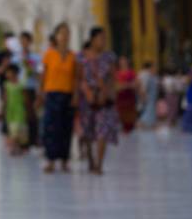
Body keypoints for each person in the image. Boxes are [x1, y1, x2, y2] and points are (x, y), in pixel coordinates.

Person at [78, 27, 120, 174]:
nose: (103, 41)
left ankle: (99, 163)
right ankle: (90, 158)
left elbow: (113, 77)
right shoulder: (82, 57)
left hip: (104, 97)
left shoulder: (110, 57)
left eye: (104, 38)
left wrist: (107, 92)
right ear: (92, 39)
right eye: (100, 38)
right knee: (88, 130)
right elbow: (79, 77)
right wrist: (87, 92)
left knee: (102, 129)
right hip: (87, 97)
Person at [39, 23, 79, 173]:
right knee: (51, 128)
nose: (65, 36)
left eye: (67, 33)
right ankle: (50, 160)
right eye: (62, 33)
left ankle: (64, 160)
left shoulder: (73, 56)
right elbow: (44, 75)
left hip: (67, 94)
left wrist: (75, 95)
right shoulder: (49, 54)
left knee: (66, 128)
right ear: (56, 36)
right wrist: (40, 94)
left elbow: (76, 78)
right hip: (52, 94)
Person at [15, 31, 41, 147]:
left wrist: (32, 68)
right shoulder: (16, 58)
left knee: (32, 114)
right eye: (21, 40)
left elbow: (40, 73)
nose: (23, 43)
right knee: (21, 115)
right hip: (20, 88)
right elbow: (13, 73)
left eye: (26, 40)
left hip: (31, 87)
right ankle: (22, 140)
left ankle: (33, 139)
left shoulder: (36, 57)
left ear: (30, 42)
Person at [4, 63, 28, 155]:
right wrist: (4, 109)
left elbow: (25, 98)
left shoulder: (21, 84)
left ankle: (18, 147)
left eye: (8, 72)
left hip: (20, 109)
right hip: (11, 110)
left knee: (19, 129)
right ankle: (14, 148)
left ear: (14, 73)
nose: (7, 75)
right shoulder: (7, 85)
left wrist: (27, 108)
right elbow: (5, 98)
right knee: (12, 129)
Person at [115, 55, 139, 133]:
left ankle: (129, 129)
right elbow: (115, 85)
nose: (123, 63)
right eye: (121, 61)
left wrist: (126, 85)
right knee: (120, 113)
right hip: (120, 97)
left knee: (129, 115)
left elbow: (136, 84)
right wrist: (125, 85)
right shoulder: (117, 73)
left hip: (129, 97)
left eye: (124, 61)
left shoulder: (131, 72)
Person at [137, 61, 159, 128]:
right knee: (148, 110)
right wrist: (143, 95)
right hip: (148, 95)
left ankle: (151, 124)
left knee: (150, 110)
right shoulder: (145, 74)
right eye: (153, 66)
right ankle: (142, 123)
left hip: (150, 95)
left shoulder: (145, 74)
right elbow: (143, 86)